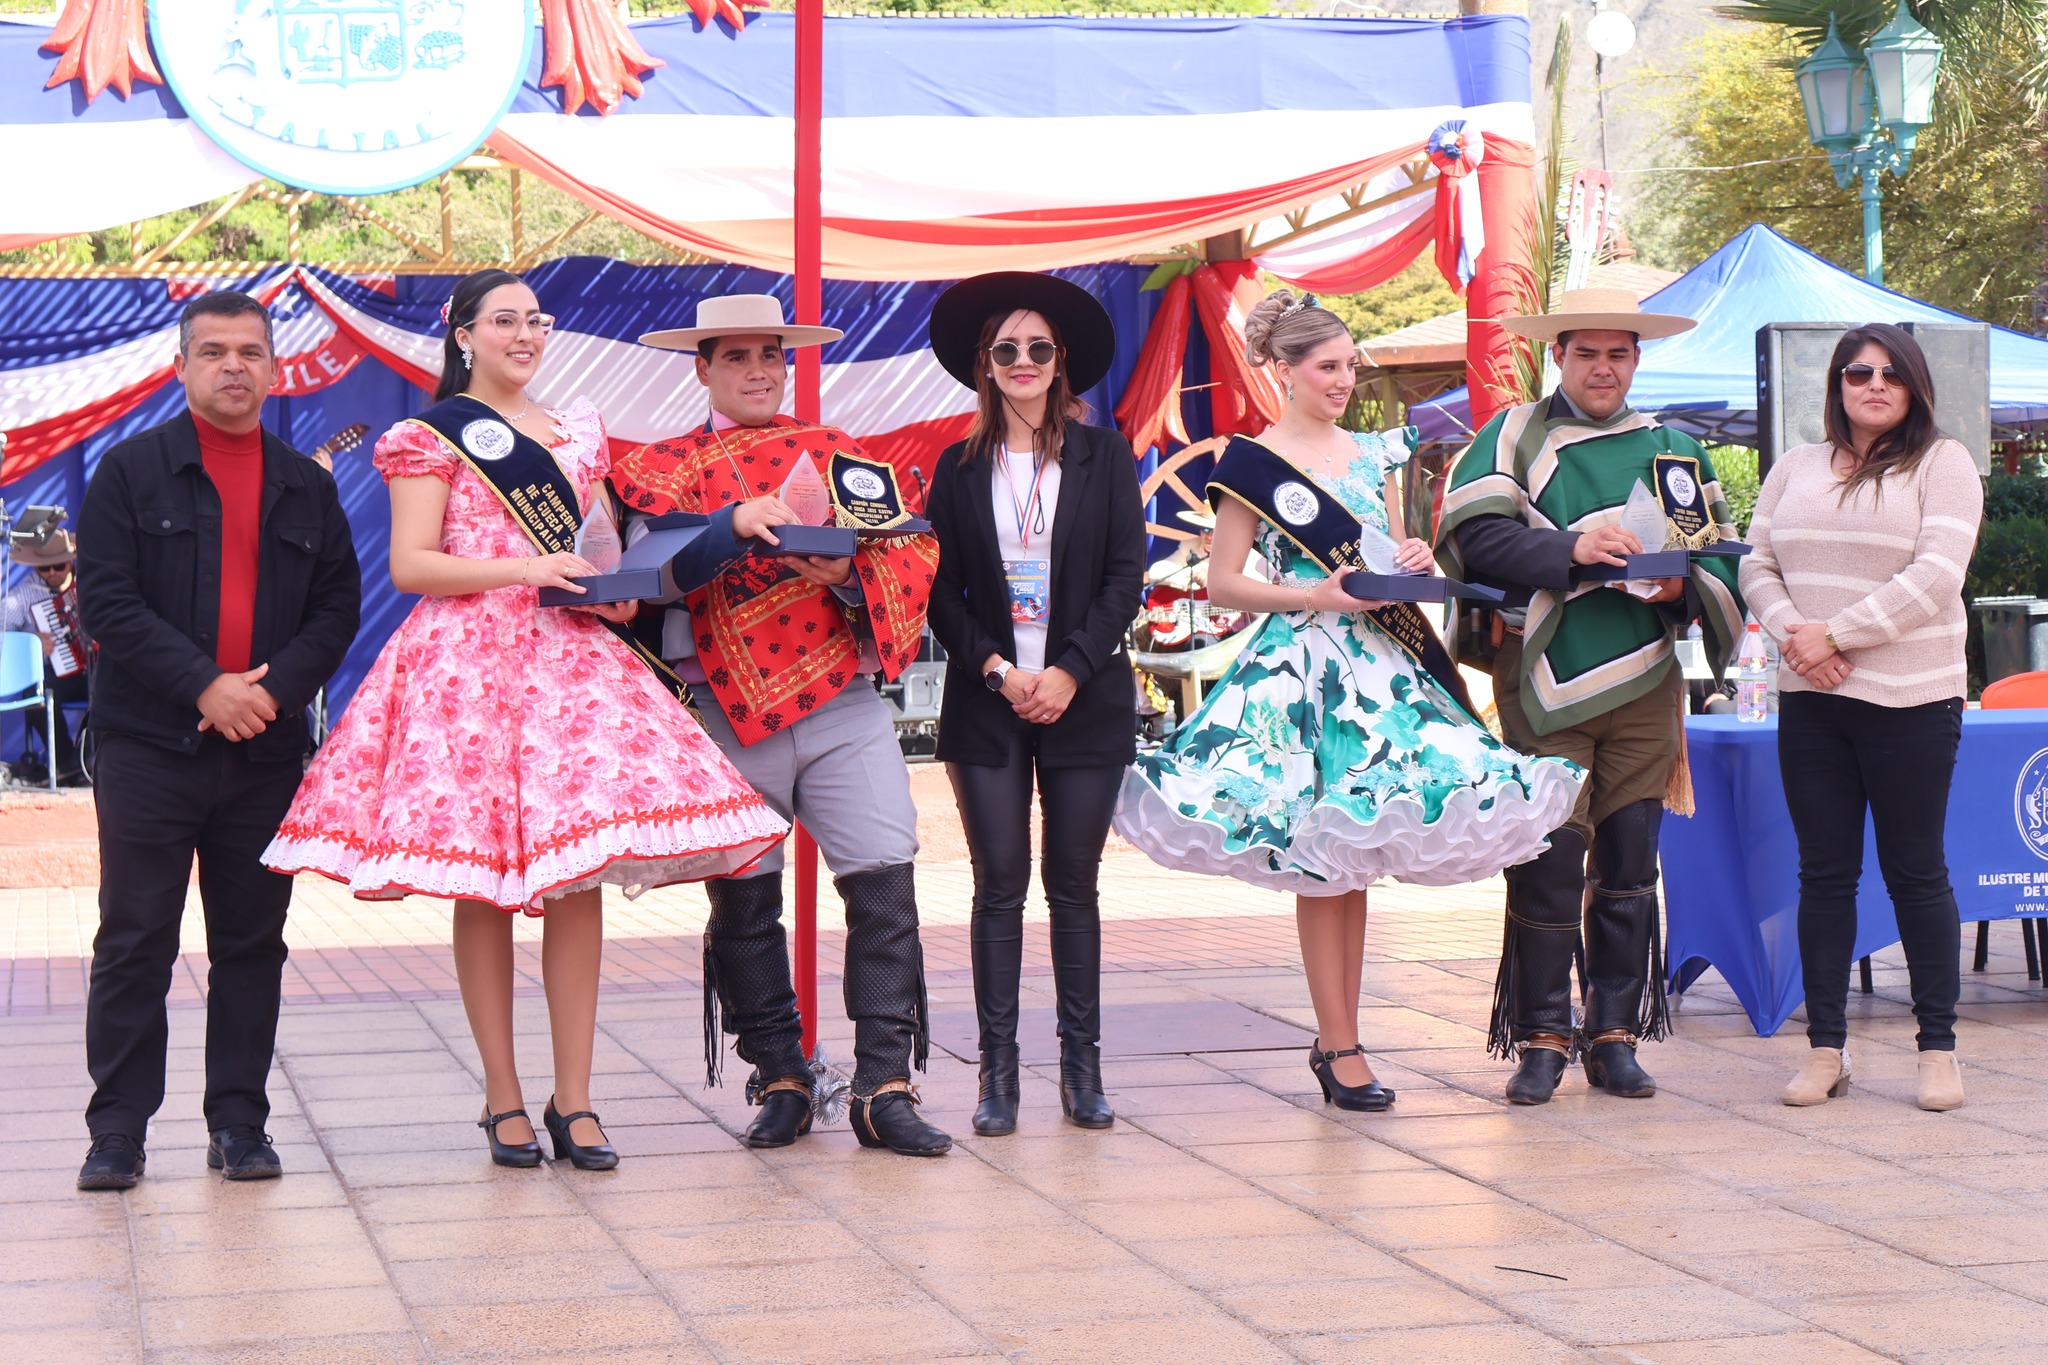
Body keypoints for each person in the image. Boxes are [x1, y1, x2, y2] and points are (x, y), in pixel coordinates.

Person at [262, 270, 788, 1172]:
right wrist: (522, 570)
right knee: (485, 883)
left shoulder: (574, 432)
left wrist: (610, 589)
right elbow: (414, 565)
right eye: (503, 320)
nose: (523, 334)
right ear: (463, 332)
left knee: (576, 875)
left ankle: (574, 1099)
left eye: (535, 319)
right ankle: (503, 1095)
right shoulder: (428, 437)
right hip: (467, 666)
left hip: (569, 662)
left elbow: (595, 547)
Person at [1116, 289, 1583, 1113]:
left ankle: (1344, 1039)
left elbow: (1390, 557)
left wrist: (1406, 552)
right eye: (1328, 366)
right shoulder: (1250, 464)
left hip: (1382, 667)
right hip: (1301, 669)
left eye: (1350, 365)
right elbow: (1226, 580)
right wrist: (1319, 597)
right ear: (1285, 371)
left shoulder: (1373, 454)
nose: (1344, 379)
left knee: (1353, 853)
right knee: (1318, 864)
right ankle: (1338, 1043)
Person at [611, 293, 951, 1157]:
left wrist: (836, 575)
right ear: (703, 368)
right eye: (738, 357)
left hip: (840, 702)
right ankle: (781, 1076)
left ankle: (884, 1086)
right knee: (743, 903)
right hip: (725, 711)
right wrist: (726, 532)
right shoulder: (661, 469)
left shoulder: (839, 457)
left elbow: (906, 550)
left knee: (885, 885)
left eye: (772, 354)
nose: (760, 370)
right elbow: (643, 574)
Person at [73, 291, 360, 1190]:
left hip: (263, 750)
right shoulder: (128, 471)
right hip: (148, 745)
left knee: (251, 941)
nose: (233, 365)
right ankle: (117, 1130)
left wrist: (266, 694)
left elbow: (336, 608)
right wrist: (205, 684)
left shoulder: (305, 484)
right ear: (182, 365)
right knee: (134, 936)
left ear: (274, 367)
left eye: (249, 350)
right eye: (213, 351)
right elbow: (106, 601)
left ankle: (239, 1122)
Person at [1435, 287, 1745, 1106]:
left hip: (1645, 679)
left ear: (1637, 360)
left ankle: (1614, 1033)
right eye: (1586, 353)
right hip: (1544, 676)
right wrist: (1575, 548)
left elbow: (1715, 560)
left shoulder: (1673, 449)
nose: (1602, 368)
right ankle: (1541, 1033)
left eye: (1618, 354)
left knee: (1631, 863)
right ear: (1559, 357)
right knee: (1548, 860)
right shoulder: (1514, 435)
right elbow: (1477, 539)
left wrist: (1670, 591)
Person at [922, 272, 1146, 1136]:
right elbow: (941, 588)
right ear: (985, 364)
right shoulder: (958, 465)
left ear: (1062, 367)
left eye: (1039, 349)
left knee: (1075, 886)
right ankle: (997, 1076)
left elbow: (1125, 578)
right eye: (1006, 349)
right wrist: (993, 667)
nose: (1022, 361)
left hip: (1083, 701)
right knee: (998, 887)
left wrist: (1068, 671)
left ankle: (1082, 1071)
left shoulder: (1106, 456)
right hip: (988, 703)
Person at [1739, 323, 1981, 1112]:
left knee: (1916, 872)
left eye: (1890, 373)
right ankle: (1825, 1050)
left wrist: (1836, 634)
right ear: (1837, 384)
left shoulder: (1943, 464)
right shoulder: (1795, 466)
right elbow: (1756, 561)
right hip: (1813, 701)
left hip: (1911, 699)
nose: (1873, 384)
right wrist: (1795, 638)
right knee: (1824, 874)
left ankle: (1937, 1049)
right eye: (1857, 372)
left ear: (1913, 386)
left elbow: (1937, 575)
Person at [1, 530, 90, 784]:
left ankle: (98, 759)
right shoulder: (23, 596)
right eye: (43, 568)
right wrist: (32, 642)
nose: (51, 573)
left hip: (94, 671)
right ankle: (66, 762)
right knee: (33, 691)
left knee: (117, 685)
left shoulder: (89, 588)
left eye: (58, 566)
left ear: (70, 562)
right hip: (54, 674)